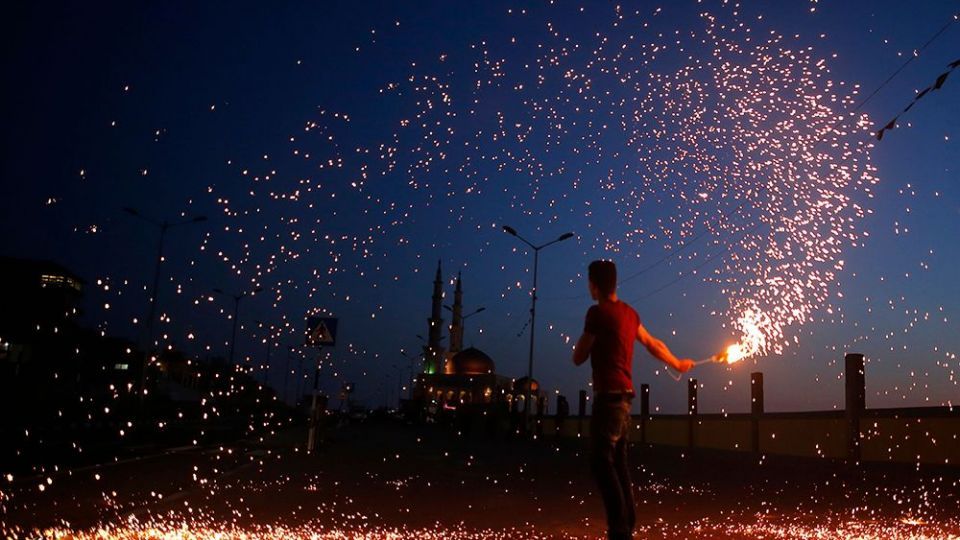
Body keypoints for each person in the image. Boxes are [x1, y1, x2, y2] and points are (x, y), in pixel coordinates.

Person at [572, 259, 694, 540]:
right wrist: (677, 362)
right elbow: (653, 344)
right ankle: (628, 520)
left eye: (589, 282)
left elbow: (579, 356)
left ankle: (620, 529)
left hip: (609, 397)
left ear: (594, 284)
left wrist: (580, 349)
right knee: (618, 462)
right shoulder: (630, 313)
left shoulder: (597, 313)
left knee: (601, 463)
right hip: (626, 398)